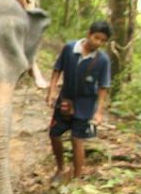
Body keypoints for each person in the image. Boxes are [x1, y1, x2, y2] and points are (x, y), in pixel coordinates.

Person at [46, 21, 112, 182]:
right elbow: (57, 69)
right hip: (65, 101)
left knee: (77, 140)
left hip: (85, 105)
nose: (98, 43)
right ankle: (60, 167)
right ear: (89, 34)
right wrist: (51, 91)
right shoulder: (70, 49)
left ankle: (76, 176)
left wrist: (99, 112)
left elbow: (103, 87)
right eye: (96, 38)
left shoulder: (103, 60)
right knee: (54, 134)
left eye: (103, 41)